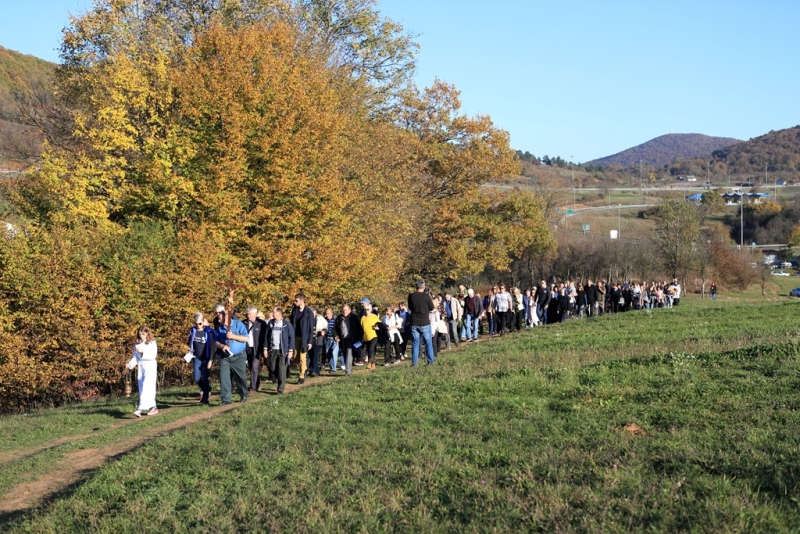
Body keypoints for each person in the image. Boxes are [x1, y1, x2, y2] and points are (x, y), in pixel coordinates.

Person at [213, 303, 249, 404]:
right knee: (224, 376)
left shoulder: (239, 324)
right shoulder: (220, 328)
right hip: (225, 357)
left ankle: (243, 394)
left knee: (240, 377)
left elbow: (246, 338)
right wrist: (222, 346)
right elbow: (216, 342)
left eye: (220, 318)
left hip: (239, 356)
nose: (218, 320)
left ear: (227, 318)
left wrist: (233, 336)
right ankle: (226, 399)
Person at [129, 325, 158, 417]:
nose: (141, 335)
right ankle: (154, 407)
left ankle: (140, 409)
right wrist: (130, 364)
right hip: (141, 366)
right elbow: (135, 357)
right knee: (142, 386)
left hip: (150, 365)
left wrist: (143, 351)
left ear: (147, 333)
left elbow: (153, 355)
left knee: (147, 386)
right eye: (140, 334)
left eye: (143, 334)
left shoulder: (152, 343)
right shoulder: (137, 344)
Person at [187, 312, 215, 405]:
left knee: (205, 378)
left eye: (200, 323)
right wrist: (190, 350)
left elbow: (212, 347)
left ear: (203, 322)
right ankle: (206, 388)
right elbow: (189, 342)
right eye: (196, 324)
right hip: (196, 357)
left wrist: (211, 360)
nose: (198, 325)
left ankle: (205, 398)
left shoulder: (208, 332)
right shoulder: (193, 331)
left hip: (206, 357)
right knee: (197, 378)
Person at [265, 307, 295, 395]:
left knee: (282, 369)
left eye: (273, 312)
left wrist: (290, 350)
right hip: (272, 349)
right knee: (272, 367)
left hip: (283, 350)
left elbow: (291, 338)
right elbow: (266, 337)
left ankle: (280, 388)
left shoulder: (286, 324)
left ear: (279, 313)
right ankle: (277, 379)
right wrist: (265, 348)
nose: (272, 313)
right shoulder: (270, 323)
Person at [408, 280, 435, 366]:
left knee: (415, 343)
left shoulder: (411, 296)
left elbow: (410, 308)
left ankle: (414, 363)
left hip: (414, 322)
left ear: (415, 287)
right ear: (424, 287)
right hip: (424, 322)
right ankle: (430, 361)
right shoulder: (426, 296)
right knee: (428, 343)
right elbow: (431, 308)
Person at [289, 294, 315, 384]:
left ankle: (301, 376)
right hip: (295, 337)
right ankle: (305, 369)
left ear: (302, 301)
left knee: (302, 357)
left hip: (305, 338)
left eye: (296, 301)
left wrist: (310, 341)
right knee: (295, 356)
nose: (294, 302)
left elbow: (311, 328)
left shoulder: (309, 312)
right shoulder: (294, 310)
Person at [242, 305, 267, 394]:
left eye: (250, 314)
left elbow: (265, 337)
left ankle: (252, 388)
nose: (248, 316)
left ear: (255, 314)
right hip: (248, 348)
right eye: (247, 314)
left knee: (254, 366)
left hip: (257, 349)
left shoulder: (261, 323)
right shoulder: (243, 323)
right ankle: (258, 383)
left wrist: (265, 348)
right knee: (251, 367)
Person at [335, 304, 361, 375]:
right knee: (345, 354)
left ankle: (347, 371)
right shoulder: (339, 318)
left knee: (349, 354)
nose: (344, 312)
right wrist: (336, 336)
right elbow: (334, 329)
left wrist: (359, 339)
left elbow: (360, 329)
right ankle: (349, 368)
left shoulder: (354, 318)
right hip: (343, 340)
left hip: (352, 339)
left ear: (349, 310)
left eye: (346, 310)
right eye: (343, 310)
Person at [360, 298, 380, 369]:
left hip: (373, 335)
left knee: (371, 349)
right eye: (365, 309)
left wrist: (377, 327)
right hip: (366, 337)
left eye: (368, 309)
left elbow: (379, 325)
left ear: (371, 310)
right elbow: (361, 328)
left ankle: (369, 363)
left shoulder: (374, 316)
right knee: (369, 350)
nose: (366, 311)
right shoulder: (363, 318)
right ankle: (373, 363)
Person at [310, 307, 327, 377]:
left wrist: (323, 331)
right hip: (311, 339)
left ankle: (313, 370)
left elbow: (326, 327)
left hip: (319, 339)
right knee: (311, 355)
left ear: (315, 312)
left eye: (313, 313)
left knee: (315, 354)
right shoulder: (308, 318)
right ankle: (316, 371)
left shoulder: (320, 318)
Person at [323, 308, 342, 373]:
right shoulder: (324, 321)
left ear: (331, 313)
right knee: (328, 353)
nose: (327, 315)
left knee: (334, 353)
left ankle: (333, 369)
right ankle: (332, 367)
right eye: (326, 313)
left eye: (328, 313)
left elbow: (339, 329)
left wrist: (338, 337)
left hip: (334, 339)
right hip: (327, 339)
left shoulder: (336, 320)